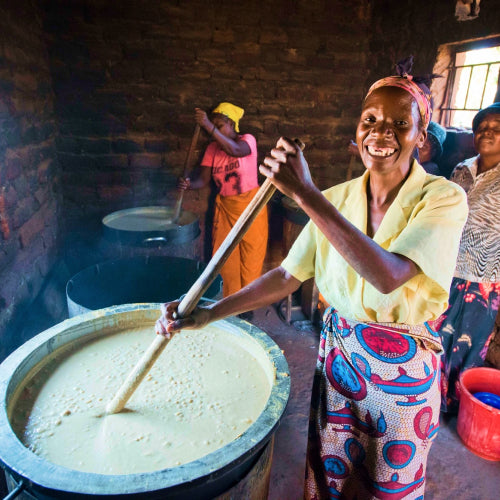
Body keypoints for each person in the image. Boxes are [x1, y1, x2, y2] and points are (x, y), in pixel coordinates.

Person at [157, 58, 468, 499]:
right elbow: (287, 274)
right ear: (356, 133)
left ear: (421, 136)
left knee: (388, 483)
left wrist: (304, 193)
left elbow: (387, 276)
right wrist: (211, 312)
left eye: (400, 123)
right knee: (331, 478)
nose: (382, 132)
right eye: (370, 120)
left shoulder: (442, 198)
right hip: (339, 360)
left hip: (404, 376)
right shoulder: (337, 198)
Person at [435, 102, 500, 414]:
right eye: (482, 128)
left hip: (486, 275)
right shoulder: (462, 170)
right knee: (437, 333)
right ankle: (430, 395)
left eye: (496, 128)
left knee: (468, 343)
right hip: (448, 265)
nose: (486, 133)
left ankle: (455, 406)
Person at [178, 102, 268, 297]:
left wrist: (208, 126)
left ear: (232, 124)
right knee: (226, 257)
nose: (214, 131)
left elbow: (237, 151)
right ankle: (230, 300)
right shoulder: (212, 148)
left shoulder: (247, 140)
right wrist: (189, 184)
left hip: (251, 206)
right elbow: (203, 179)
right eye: (214, 126)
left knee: (251, 256)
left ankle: (248, 301)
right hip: (226, 208)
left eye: (219, 126)